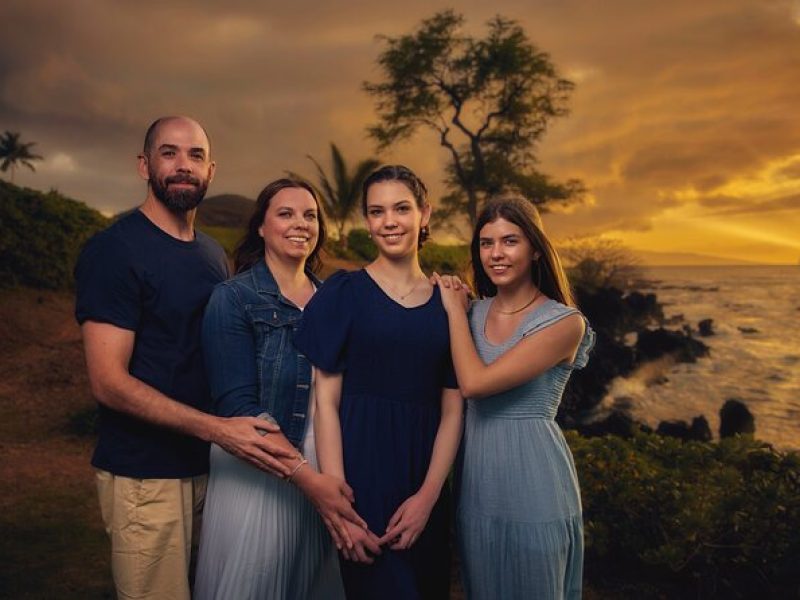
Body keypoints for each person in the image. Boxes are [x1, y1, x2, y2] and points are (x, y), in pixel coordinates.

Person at [75, 116, 297, 600]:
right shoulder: (115, 251)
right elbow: (108, 382)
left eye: (195, 155)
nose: (183, 166)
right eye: (169, 153)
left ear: (211, 170)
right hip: (146, 473)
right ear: (144, 165)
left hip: (210, 470)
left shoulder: (212, 255)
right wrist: (219, 430)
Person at [294, 165, 463, 599]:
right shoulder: (343, 292)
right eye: (377, 211)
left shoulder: (451, 303)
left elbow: (453, 410)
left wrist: (428, 498)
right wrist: (341, 507)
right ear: (367, 221)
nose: (389, 221)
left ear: (425, 214)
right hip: (361, 482)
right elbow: (325, 405)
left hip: (424, 485)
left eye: (401, 208)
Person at [194, 178, 366, 599]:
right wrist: (307, 479)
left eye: (310, 215)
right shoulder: (232, 298)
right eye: (285, 213)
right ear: (261, 227)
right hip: (257, 467)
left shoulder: (333, 300)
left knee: (308, 583)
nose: (300, 224)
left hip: (323, 463)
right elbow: (239, 410)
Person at [433, 194, 595, 600]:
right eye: (486, 243)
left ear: (536, 249)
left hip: (536, 486)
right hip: (477, 489)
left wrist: (453, 311)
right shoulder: (473, 313)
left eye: (510, 241)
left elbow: (474, 384)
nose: (496, 254)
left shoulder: (564, 322)